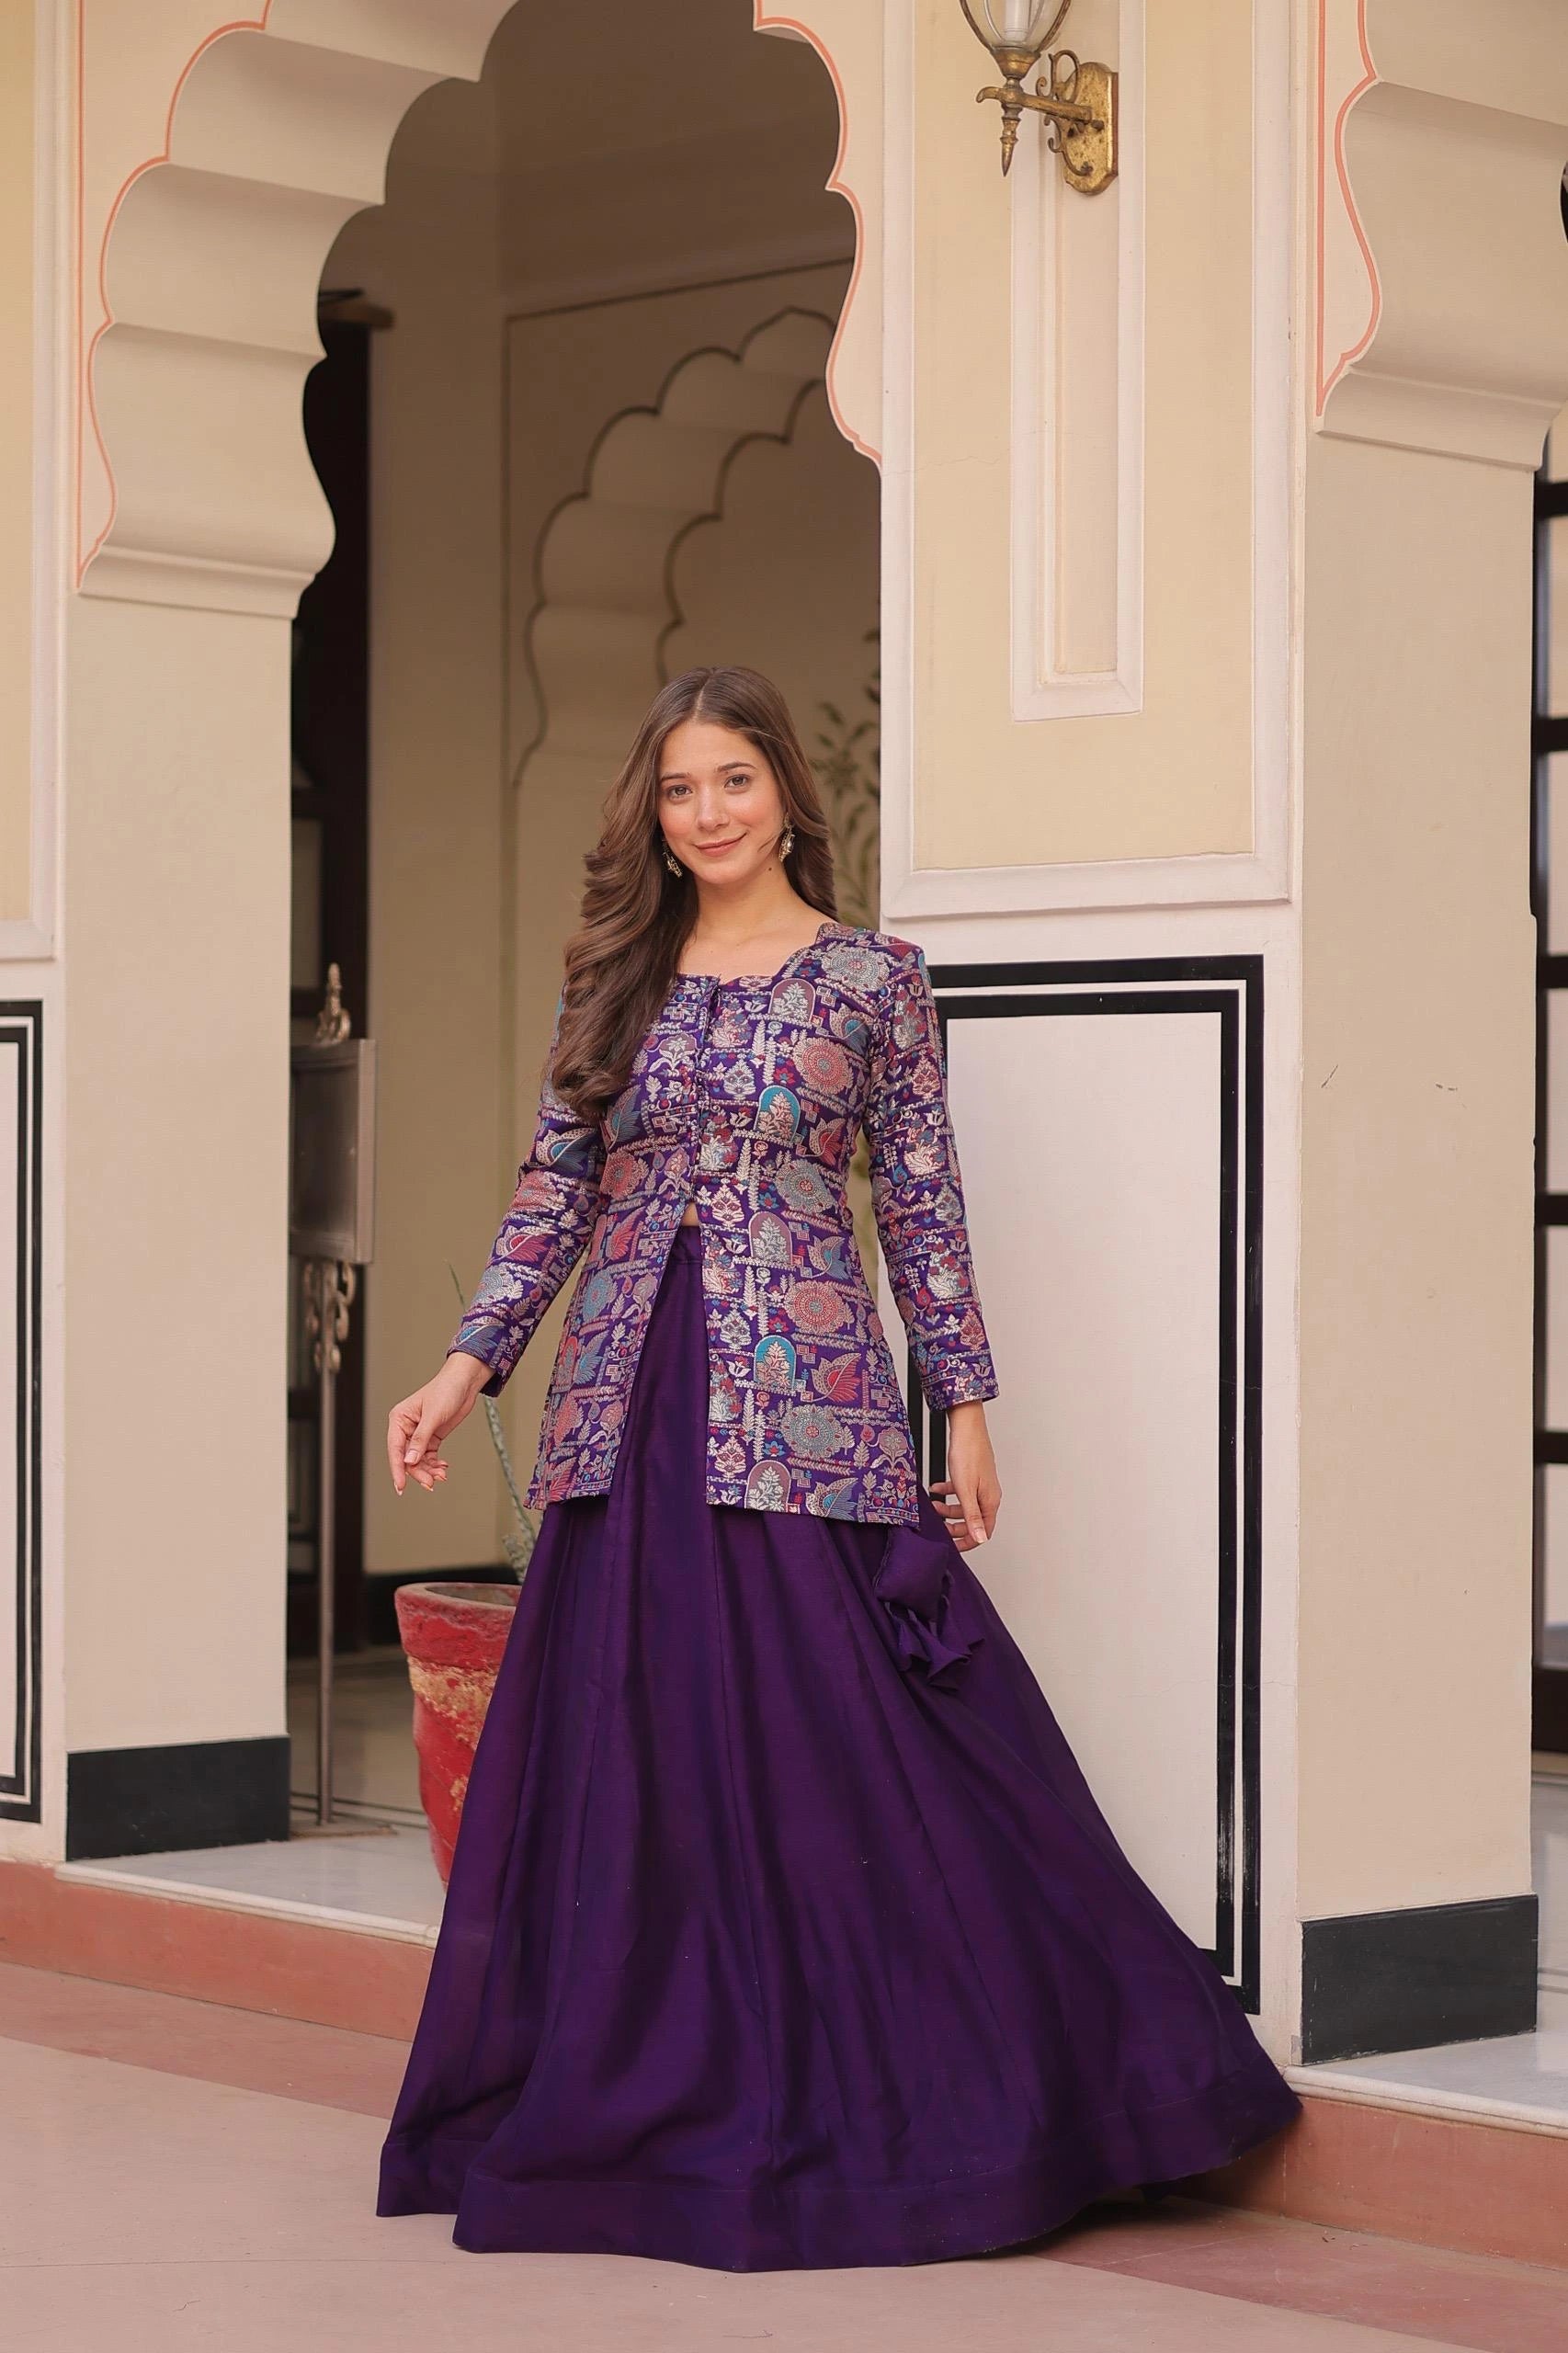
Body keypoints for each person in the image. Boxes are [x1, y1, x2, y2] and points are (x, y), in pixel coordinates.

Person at [374, 664, 1300, 2271]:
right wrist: (463, 1371)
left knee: (851, 1745)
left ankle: (1019, 2081)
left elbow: (924, 1208)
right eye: (677, 790)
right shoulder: (616, 978)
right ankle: (647, 2081)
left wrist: (964, 1408)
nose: (706, 813)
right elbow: (554, 1192)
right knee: (637, 1752)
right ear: (650, 818)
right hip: (623, 1409)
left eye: (731, 780)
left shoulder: (871, 981)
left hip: (801, 1401)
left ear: (786, 794)